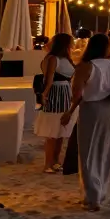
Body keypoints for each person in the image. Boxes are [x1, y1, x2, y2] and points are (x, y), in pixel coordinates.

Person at [61, 34, 110, 211]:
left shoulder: (85, 66)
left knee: (88, 153)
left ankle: (92, 197)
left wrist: (70, 112)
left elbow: (77, 94)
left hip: (93, 110)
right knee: (105, 151)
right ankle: (101, 192)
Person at [33, 33, 76, 173]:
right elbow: (49, 79)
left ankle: (56, 161)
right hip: (55, 94)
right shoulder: (53, 58)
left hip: (65, 93)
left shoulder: (66, 58)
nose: (73, 44)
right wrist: (44, 95)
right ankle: (48, 164)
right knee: (52, 133)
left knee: (60, 132)